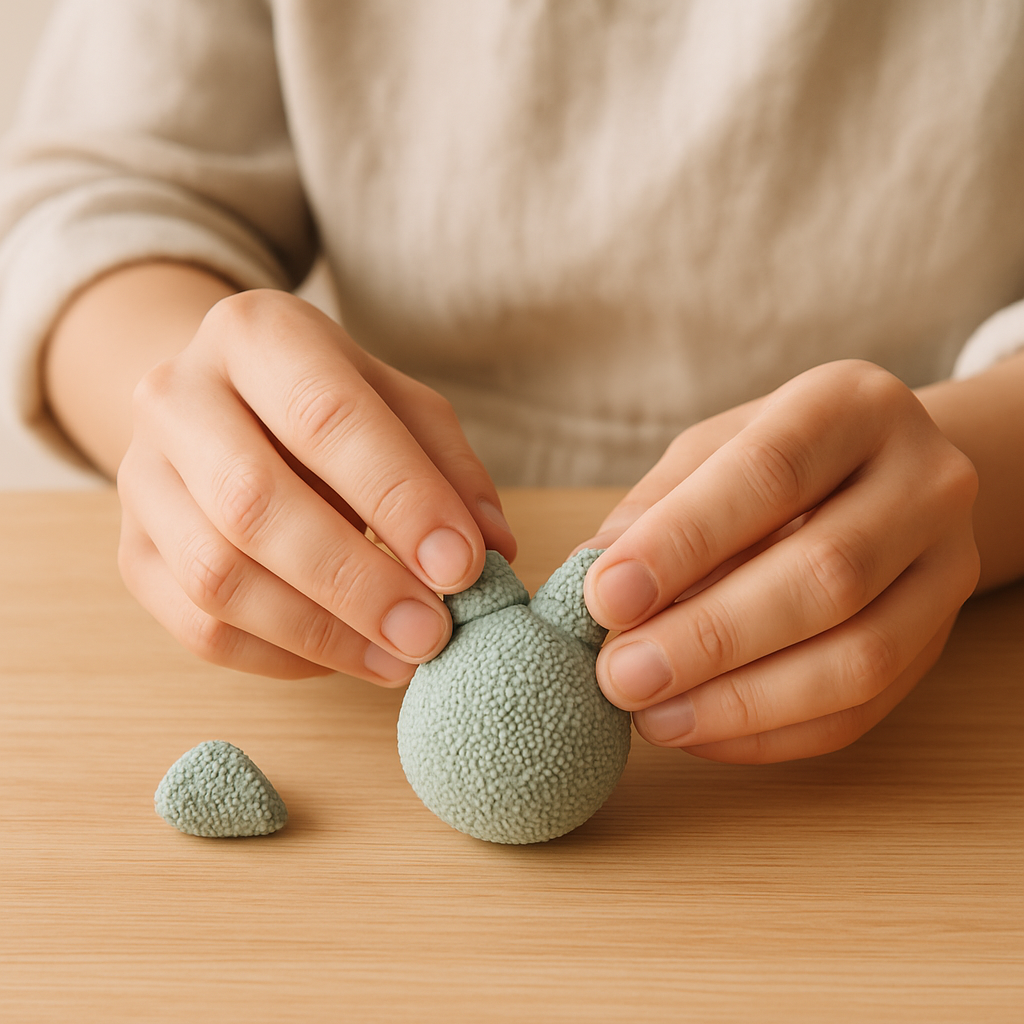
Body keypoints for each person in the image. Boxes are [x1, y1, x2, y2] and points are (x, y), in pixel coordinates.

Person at [2, 0, 1023, 765]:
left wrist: (981, 465)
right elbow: (102, 192)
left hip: (960, 654)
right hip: (384, 558)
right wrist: (205, 427)